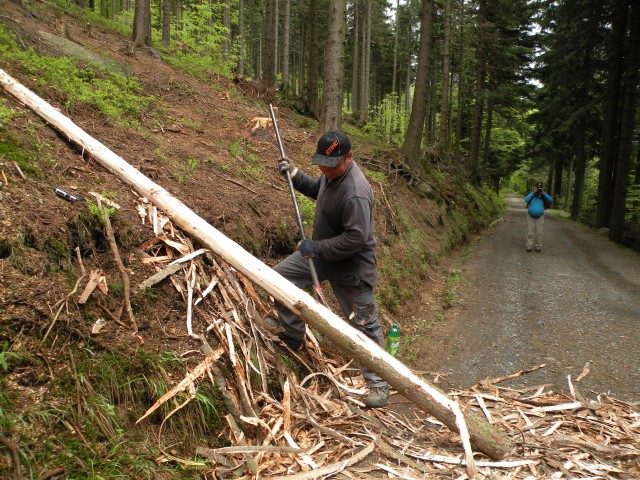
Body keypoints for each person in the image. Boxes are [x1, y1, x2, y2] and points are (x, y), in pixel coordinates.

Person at [273, 130, 390, 408]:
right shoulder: (332, 173)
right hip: (324, 254)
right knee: (279, 278)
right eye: (321, 164)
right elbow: (319, 191)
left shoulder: (356, 193)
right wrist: (296, 176)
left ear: (348, 158)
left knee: (365, 327)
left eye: (331, 165)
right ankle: (292, 333)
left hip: (352, 270)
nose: (325, 170)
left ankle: (379, 385)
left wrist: (317, 247)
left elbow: (356, 238)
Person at [524, 182, 553, 252]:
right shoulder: (532, 195)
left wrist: (543, 193)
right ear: (535, 188)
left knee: (539, 232)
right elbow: (526, 199)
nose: (539, 189)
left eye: (540, 188)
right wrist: (533, 193)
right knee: (530, 232)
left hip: (540, 216)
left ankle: (538, 246)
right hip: (530, 216)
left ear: (542, 188)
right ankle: (529, 246)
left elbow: (551, 200)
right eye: (537, 187)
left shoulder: (543, 196)